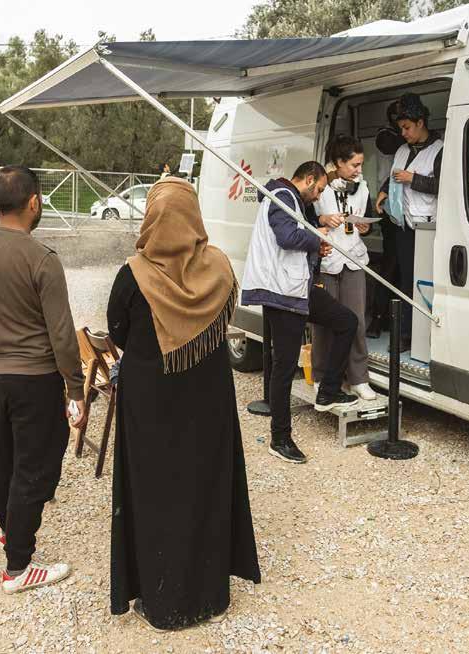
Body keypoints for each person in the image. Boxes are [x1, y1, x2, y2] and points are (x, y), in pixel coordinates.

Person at [107, 177, 261, 630]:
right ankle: (209, 594)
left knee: (155, 491)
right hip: (207, 400)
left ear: (152, 216)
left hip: (150, 405)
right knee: (204, 485)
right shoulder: (220, 268)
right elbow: (225, 320)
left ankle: (162, 599)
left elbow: (117, 330)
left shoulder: (133, 275)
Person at [0, 165, 88, 594]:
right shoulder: (41, 259)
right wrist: (76, 388)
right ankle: (18, 567)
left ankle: (10, 531)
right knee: (38, 465)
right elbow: (62, 333)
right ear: (34, 202)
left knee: (3, 458)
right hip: (36, 378)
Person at [241, 161, 359, 464]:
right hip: (283, 294)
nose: (318, 195)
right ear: (308, 180)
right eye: (318, 189)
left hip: (298, 288)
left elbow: (295, 236)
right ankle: (280, 438)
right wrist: (317, 238)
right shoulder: (282, 195)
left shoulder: (291, 197)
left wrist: (313, 244)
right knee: (283, 367)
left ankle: (328, 392)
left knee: (346, 321)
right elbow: (287, 237)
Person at [310, 135, 376, 402]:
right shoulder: (321, 186)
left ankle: (359, 378)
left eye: (360, 164)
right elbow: (305, 218)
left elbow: (369, 223)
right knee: (325, 324)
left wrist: (366, 226)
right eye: (354, 165)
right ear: (338, 163)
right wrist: (322, 218)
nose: (359, 170)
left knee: (357, 320)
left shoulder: (363, 188)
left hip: (354, 260)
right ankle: (322, 377)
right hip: (327, 261)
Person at [375, 93, 444, 351]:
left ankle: (425, 340)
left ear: (420, 122)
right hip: (404, 226)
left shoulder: (440, 149)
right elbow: (394, 177)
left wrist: (413, 179)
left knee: (424, 282)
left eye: (406, 127)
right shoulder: (402, 150)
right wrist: (383, 191)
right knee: (405, 280)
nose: (403, 133)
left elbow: (443, 186)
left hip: (428, 229)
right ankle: (404, 336)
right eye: (400, 128)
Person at [367, 102, 405, 339]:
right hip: (388, 212)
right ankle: (378, 318)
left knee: (401, 269)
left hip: (402, 212)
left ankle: (392, 321)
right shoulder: (386, 135)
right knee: (391, 266)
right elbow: (388, 143)